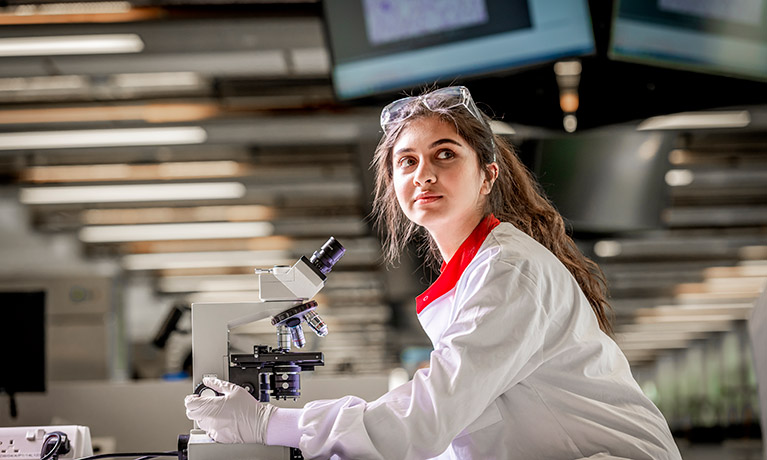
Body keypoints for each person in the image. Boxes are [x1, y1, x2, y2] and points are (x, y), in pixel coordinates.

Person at [185, 86, 682, 459]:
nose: (424, 173)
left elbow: (425, 418)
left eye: (445, 154)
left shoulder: (509, 271)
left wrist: (270, 423)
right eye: (407, 161)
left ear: (487, 176)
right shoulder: (475, 274)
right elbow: (462, 425)